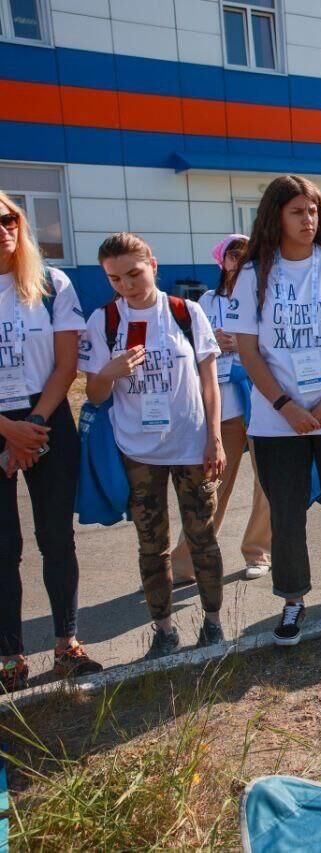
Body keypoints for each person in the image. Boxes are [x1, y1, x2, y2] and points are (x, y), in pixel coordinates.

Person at [224, 175, 321, 646]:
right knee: (287, 513)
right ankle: (293, 601)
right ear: (276, 216)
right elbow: (248, 351)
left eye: (312, 211)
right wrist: (285, 405)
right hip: (278, 421)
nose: (307, 219)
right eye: (297, 212)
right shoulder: (253, 276)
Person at [81, 232, 226, 660]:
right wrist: (110, 370)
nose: (126, 285)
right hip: (138, 451)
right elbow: (94, 395)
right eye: (114, 278)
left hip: (192, 446)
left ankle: (213, 623)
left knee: (202, 537)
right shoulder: (104, 321)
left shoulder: (186, 313)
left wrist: (214, 438)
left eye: (134, 273)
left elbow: (210, 383)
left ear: (153, 266)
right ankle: (163, 630)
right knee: (151, 543)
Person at [0, 191, 102, 690]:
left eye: (8, 218)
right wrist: (7, 430)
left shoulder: (50, 283)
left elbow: (67, 364)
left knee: (56, 539)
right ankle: (9, 659)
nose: (3, 229)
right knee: (3, 546)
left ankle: (67, 645)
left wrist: (33, 424)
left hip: (47, 419)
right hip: (2, 424)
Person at [171, 235, 272, 583]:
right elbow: (189, 348)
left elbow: (275, 343)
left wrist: (243, 345)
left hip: (262, 402)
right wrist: (216, 343)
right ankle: (188, 559)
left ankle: (258, 553)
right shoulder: (206, 301)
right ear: (222, 260)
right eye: (233, 253)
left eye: (248, 253)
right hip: (223, 406)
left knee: (268, 482)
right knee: (212, 482)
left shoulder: (265, 297)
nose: (240, 259)